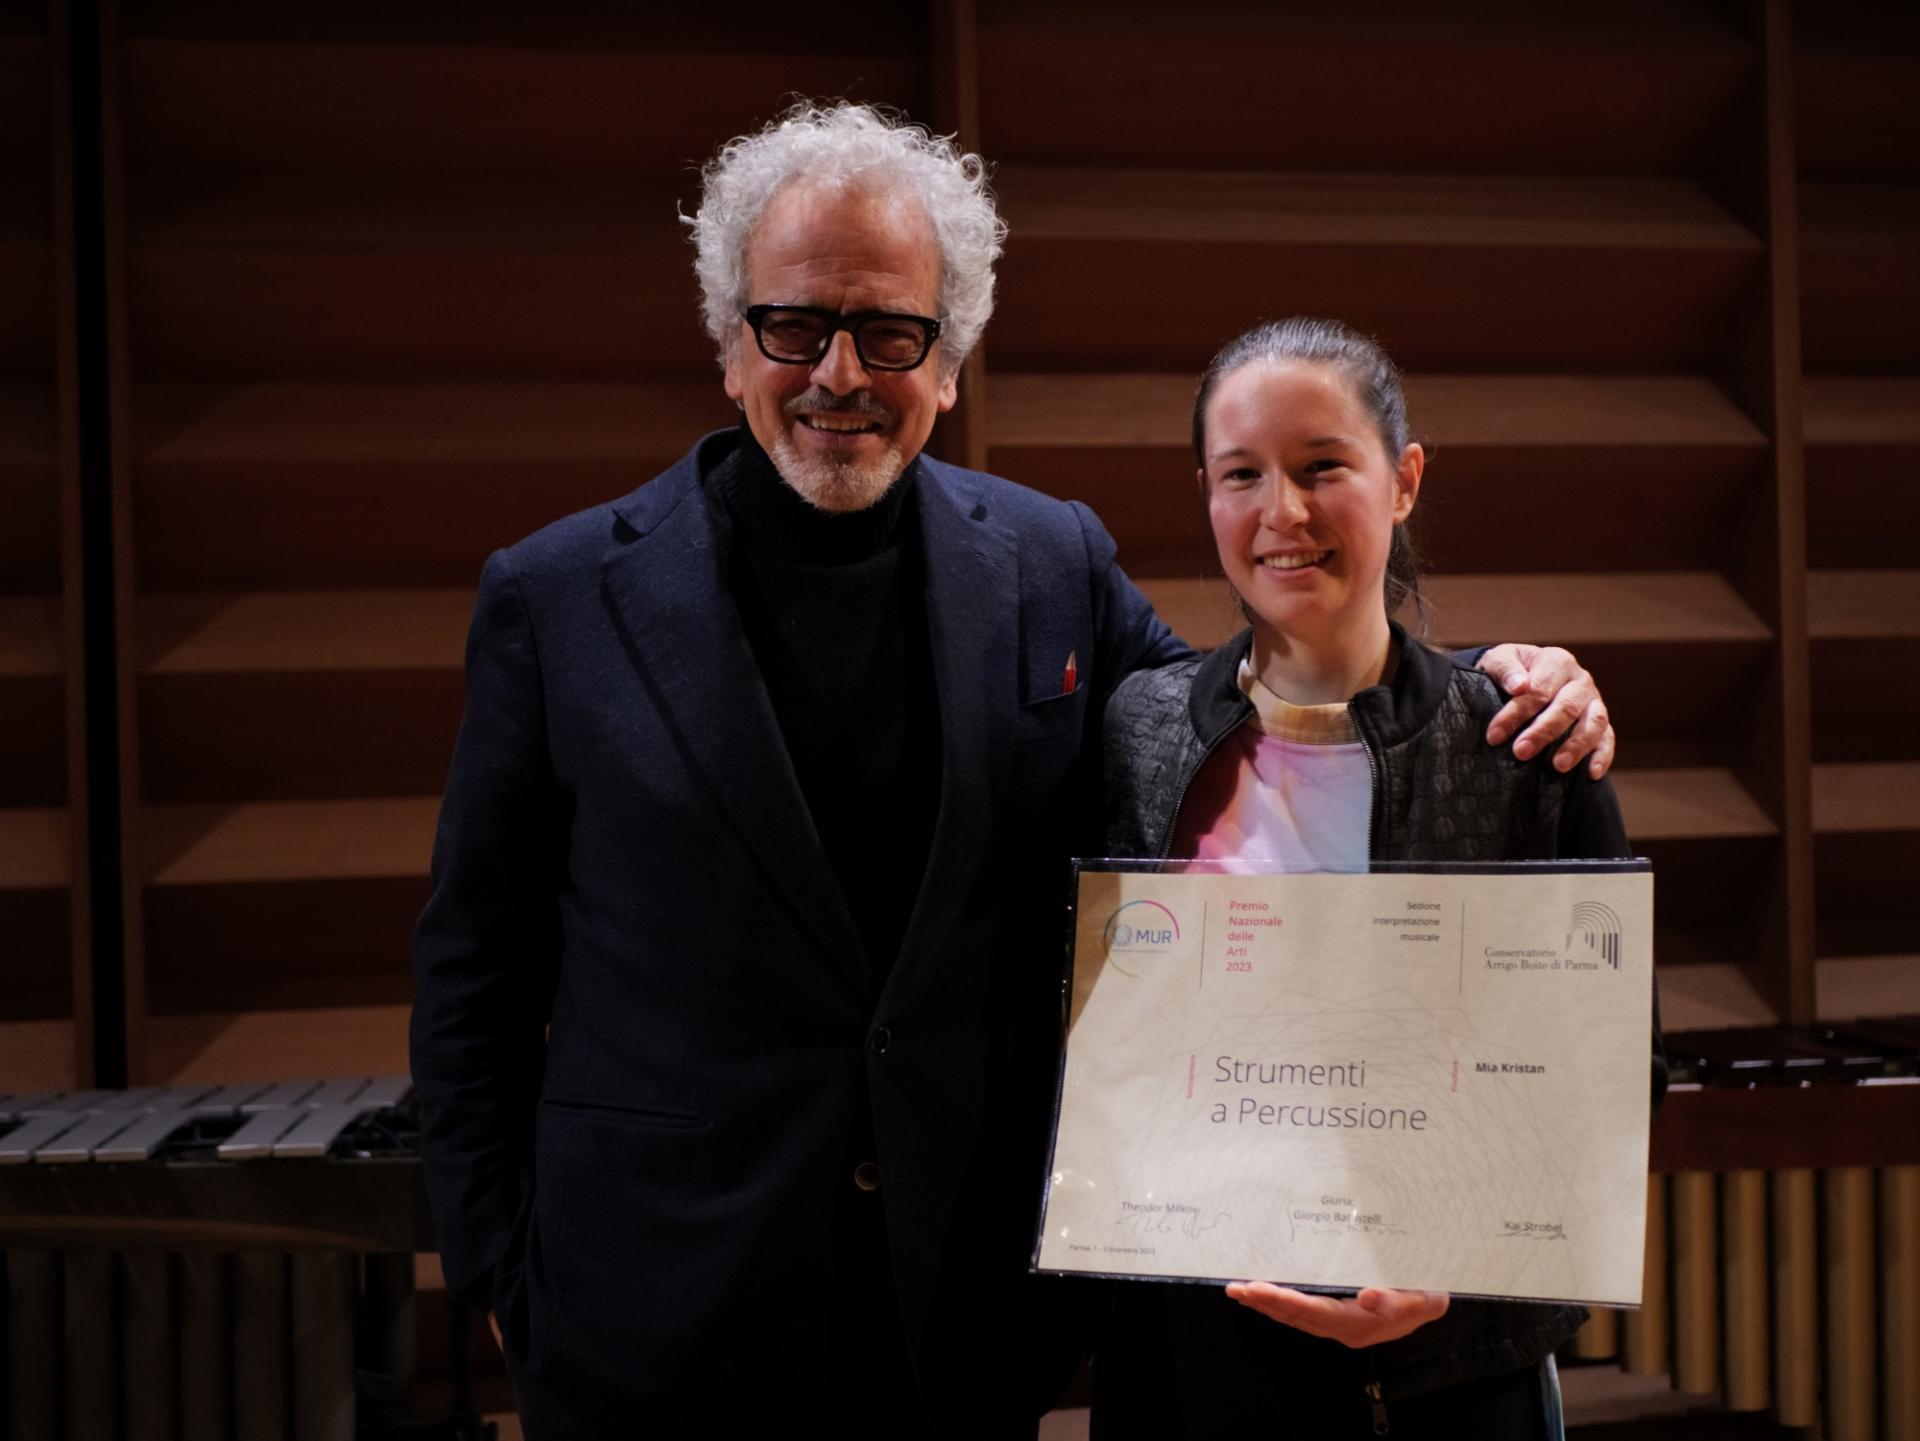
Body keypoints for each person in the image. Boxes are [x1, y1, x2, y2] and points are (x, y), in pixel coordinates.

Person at [409, 104, 1618, 1436]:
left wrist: (1500, 678)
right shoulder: (558, 595)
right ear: (728, 340)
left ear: (951, 356)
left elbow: (1262, 728)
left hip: (964, 1329)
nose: (839, 373)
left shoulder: (1052, 565)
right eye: (794, 327)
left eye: (890, 332)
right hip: (649, 1321)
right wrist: (499, 1272)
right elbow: (476, 972)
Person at [1090, 317, 1667, 1439]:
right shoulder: (1139, 731)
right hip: (1199, 1354)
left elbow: (1609, 1081)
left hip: (1452, 1367)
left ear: (1403, 480)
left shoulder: (1519, 740)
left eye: (1322, 467)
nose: (1282, 514)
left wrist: (1463, 1260)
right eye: (1242, 474)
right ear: (1204, 492)